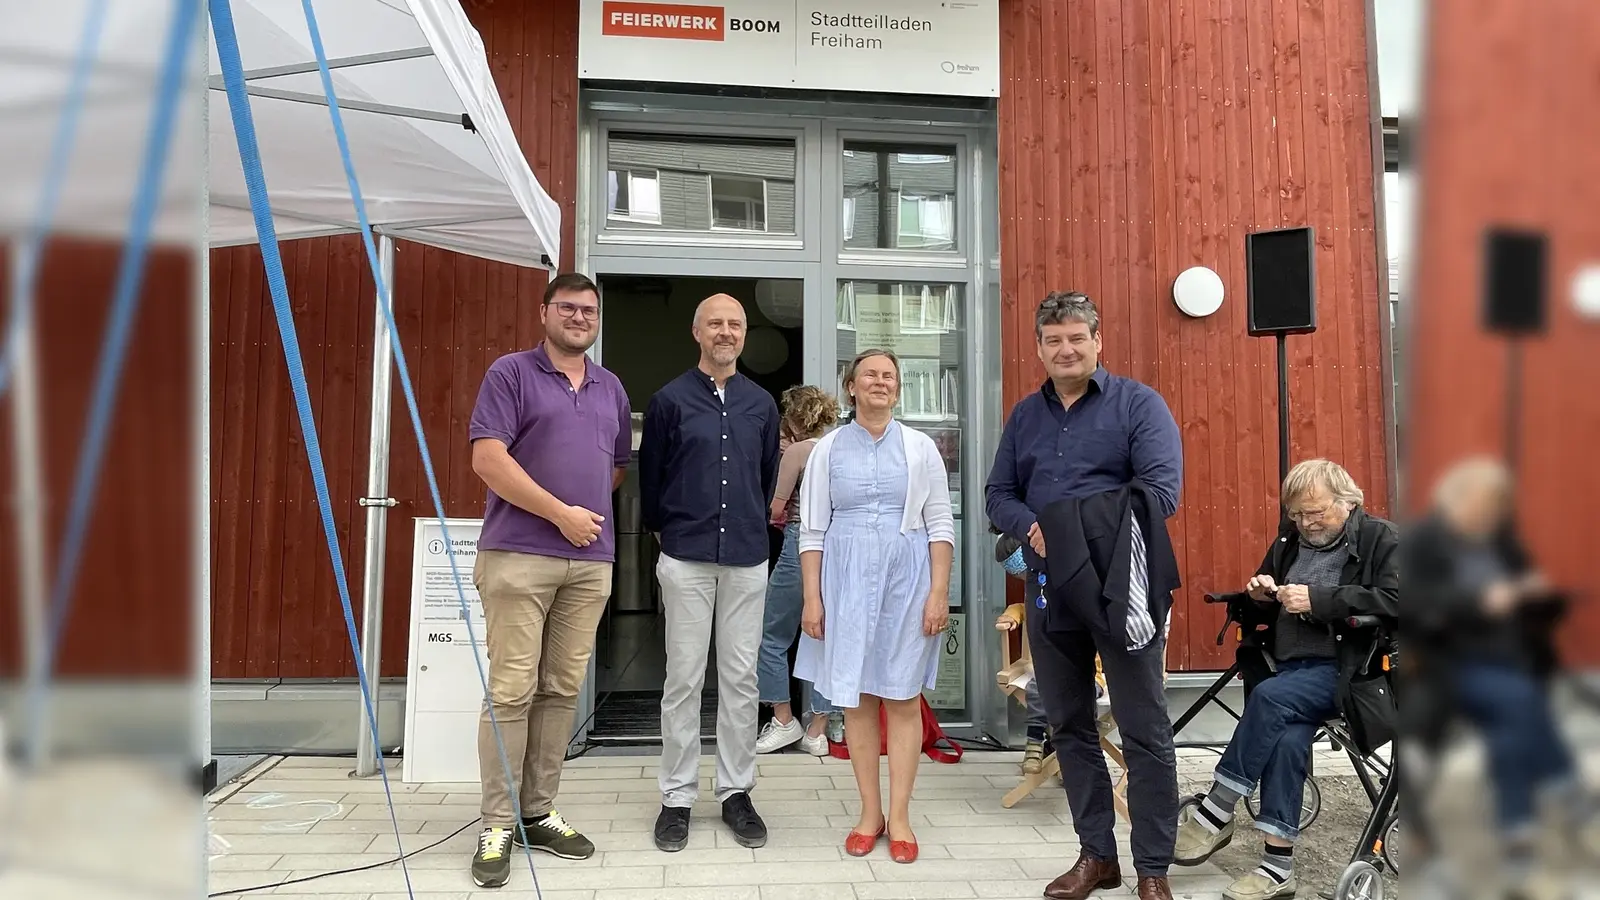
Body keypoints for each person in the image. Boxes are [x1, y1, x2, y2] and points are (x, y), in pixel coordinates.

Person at [985, 292, 1183, 900]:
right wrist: (1031, 525)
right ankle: (1098, 856)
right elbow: (998, 494)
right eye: (1053, 340)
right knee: (1068, 726)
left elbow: (1160, 494)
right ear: (1039, 348)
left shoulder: (1138, 406)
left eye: (1076, 337)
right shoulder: (1025, 415)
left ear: (1098, 340)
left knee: (1144, 728)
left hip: (1122, 591)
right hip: (1050, 591)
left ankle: (1153, 868)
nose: (1065, 350)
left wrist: (1070, 524)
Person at [464, 273, 630, 888]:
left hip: (589, 562)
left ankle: (538, 810)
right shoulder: (510, 373)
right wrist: (560, 513)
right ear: (545, 313)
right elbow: (488, 459)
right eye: (568, 307)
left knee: (560, 688)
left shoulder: (611, 387)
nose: (580, 317)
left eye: (589, 310)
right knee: (511, 688)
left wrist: (581, 521)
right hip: (519, 554)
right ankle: (495, 823)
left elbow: (614, 470)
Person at [1172, 459, 1399, 900]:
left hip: (1353, 672)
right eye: (1297, 513)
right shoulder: (1289, 541)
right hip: (1290, 669)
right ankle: (1278, 869)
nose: (1305, 522)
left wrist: (1320, 599)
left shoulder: (1382, 538)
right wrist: (1259, 595)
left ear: (1347, 501)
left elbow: (1397, 599)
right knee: (1288, 741)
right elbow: (1266, 608)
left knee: (1272, 699)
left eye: (1315, 512)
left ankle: (1215, 812)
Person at [794, 348, 955, 865]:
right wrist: (812, 597)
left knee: (902, 697)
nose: (880, 382)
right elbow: (812, 529)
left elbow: (940, 524)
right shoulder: (827, 450)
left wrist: (938, 591)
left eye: (889, 376)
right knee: (857, 700)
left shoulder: (921, 447)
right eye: (870, 375)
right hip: (842, 581)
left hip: (907, 582)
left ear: (898, 388)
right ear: (851, 387)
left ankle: (901, 816)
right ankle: (870, 814)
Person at [1408, 456, 1596, 897]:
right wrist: (1479, 600)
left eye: (1496, 507)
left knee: (1512, 728)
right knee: (1520, 702)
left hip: (1510, 664)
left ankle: (1519, 844)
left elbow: (1538, 607)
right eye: (1484, 506)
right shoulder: (1424, 543)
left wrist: (1538, 593)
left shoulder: (1499, 543)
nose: (1490, 515)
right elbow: (1415, 606)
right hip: (1447, 668)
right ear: (1455, 500)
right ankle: (1571, 800)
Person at [641, 293, 781, 853]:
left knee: (741, 679)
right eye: (715, 323)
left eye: (735, 324)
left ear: (743, 335)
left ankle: (735, 792)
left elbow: (767, 475)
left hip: (747, 557)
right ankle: (676, 797)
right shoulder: (669, 400)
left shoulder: (762, 404)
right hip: (687, 556)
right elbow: (652, 479)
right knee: (683, 679)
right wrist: (667, 533)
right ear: (697, 332)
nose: (726, 332)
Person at [755, 385, 843, 756]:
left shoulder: (797, 452)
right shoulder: (840, 447)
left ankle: (783, 720)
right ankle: (818, 730)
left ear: (793, 418)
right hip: (837, 548)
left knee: (771, 634)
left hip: (798, 542)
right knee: (827, 637)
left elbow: (777, 508)